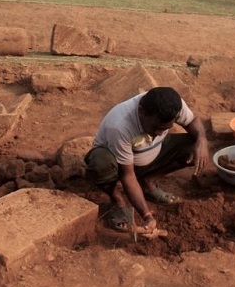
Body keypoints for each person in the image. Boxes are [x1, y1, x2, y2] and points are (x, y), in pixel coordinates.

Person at [84, 87, 209, 233]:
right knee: (100, 163)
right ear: (141, 111)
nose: (158, 133)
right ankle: (117, 199)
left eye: (165, 128)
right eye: (155, 127)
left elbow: (193, 120)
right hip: (119, 165)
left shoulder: (173, 106)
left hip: (150, 155)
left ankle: (148, 183)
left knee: (194, 147)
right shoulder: (119, 125)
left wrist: (202, 139)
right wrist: (146, 215)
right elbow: (127, 176)